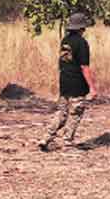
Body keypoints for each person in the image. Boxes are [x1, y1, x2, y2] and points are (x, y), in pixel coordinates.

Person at [40, 13, 97, 151]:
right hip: (77, 83)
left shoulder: (65, 41)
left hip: (64, 81)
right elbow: (84, 66)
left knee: (61, 112)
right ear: (82, 27)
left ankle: (46, 137)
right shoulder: (82, 43)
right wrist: (92, 87)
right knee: (75, 113)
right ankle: (68, 141)